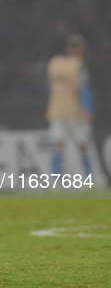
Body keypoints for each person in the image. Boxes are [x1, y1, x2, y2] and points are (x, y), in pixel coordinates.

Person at [46, 33, 94, 179]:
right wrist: (88, 109)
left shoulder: (55, 63)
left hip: (69, 111)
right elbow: (82, 89)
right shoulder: (78, 66)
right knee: (58, 145)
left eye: (77, 47)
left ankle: (89, 178)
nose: (75, 50)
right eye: (74, 47)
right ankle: (54, 179)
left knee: (82, 145)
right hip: (66, 111)